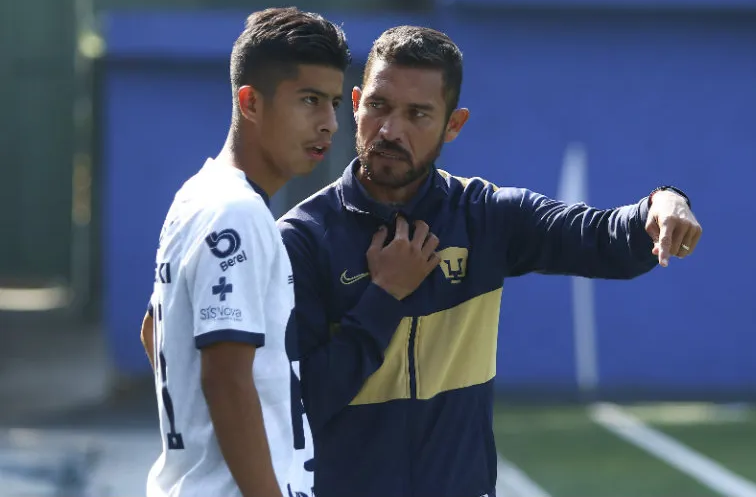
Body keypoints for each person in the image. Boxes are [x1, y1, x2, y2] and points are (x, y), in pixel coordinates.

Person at [277, 25, 703, 497]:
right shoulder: (302, 240)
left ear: (453, 125)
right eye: (379, 106)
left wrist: (662, 202)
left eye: (418, 114)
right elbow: (296, 405)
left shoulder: (484, 215)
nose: (391, 130)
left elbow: (601, 238)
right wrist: (382, 299)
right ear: (355, 103)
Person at [138, 7, 350, 497]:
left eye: (335, 102)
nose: (330, 124)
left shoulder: (198, 196)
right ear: (250, 103)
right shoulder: (237, 211)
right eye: (310, 100)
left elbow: (155, 331)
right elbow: (227, 380)